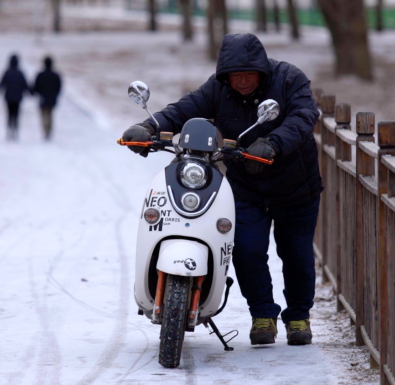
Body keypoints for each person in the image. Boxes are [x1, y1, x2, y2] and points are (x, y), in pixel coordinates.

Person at [122, 33, 322, 346]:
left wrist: (273, 143)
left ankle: (298, 317)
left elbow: (303, 117)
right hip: (247, 187)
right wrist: (149, 127)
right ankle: (262, 316)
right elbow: (183, 109)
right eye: (235, 75)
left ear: (262, 70)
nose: (241, 82)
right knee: (246, 251)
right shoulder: (219, 88)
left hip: (295, 187)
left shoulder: (289, 80)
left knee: (296, 255)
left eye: (248, 74)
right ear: (225, 75)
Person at [0, 54, 30, 141]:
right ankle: (15, 131)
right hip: (18, 98)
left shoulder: (7, 72)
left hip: (8, 98)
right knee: (16, 115)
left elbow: (1, 83)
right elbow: (25, 85)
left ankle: (9, 131)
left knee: (9, 115)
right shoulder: (20, 73)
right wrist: (30, 92)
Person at [32, 57, 62, 140]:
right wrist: (55, 95)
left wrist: (34, 93)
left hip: (43, 99)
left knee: (44, 115)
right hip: (52, 99)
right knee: (50, 115)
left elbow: (35, 87)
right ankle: (48, 131)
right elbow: (59, 87)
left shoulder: (40, 75)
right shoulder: (55, 75)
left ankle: (46, 131)